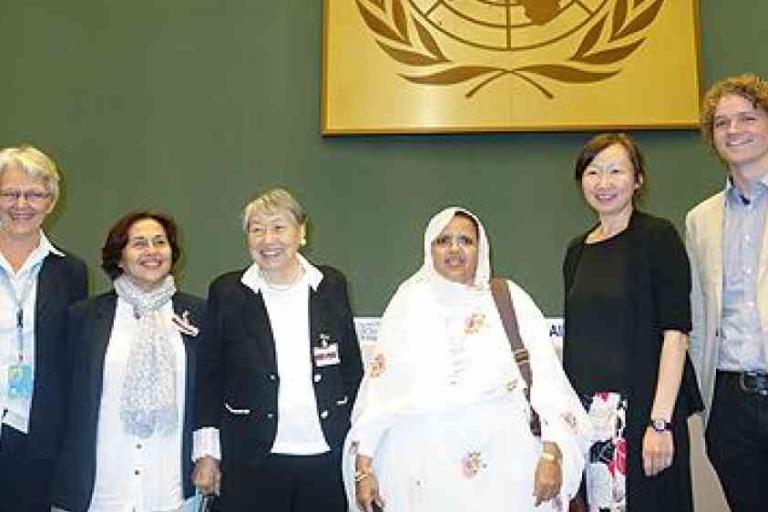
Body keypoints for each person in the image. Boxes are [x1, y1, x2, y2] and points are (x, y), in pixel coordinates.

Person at [346, 207, 590, 512]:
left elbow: (546, 381)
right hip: (422, 471)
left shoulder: (509, 297)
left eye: (465, 240)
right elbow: (380, 391)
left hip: (507, 472)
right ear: (429, 248)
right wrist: (364, 469)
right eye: (443, 240)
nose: (454, 249)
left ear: (481, 247)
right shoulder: (408, 303)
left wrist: (552, 456)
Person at [192, 188, 363, 512]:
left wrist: (363, 449)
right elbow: (210, 379)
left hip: (325, 456)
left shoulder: (330, 285)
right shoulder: (227, 291)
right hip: (251, 459)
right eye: (257, 229)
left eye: (279, 227)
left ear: (302, 233)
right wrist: (207, 454)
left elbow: (352, 372)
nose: (268, 239)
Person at [563, 133, 703, 511]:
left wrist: (660, 424)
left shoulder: (658, 237)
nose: (603, 183)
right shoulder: (577, 250)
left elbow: (676, 335)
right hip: (590, 418)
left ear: (637, 179)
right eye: (593, 172)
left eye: (615, 171)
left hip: (644, 415)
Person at [51, 211, 205, 512]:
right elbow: (62, 398)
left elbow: (208, 395)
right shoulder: (82, 317)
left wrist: (207, 458)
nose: (152, 251)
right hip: (101, 483)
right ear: (119, 258)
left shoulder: (200, 315)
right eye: (139, 243)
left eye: (160, 242)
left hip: (169, 483)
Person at [686, 73, 768, 511]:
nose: (734, 130)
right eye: (721, 123)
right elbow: (699, 315)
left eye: (747, 118)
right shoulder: (701, 220)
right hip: (730, 402)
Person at [0, 145, 87, 512]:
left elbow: (72, 358)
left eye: (35, 194)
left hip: (38, 433)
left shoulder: (69, 272)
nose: (22, 204)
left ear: (51, 202)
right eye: (9, 193)